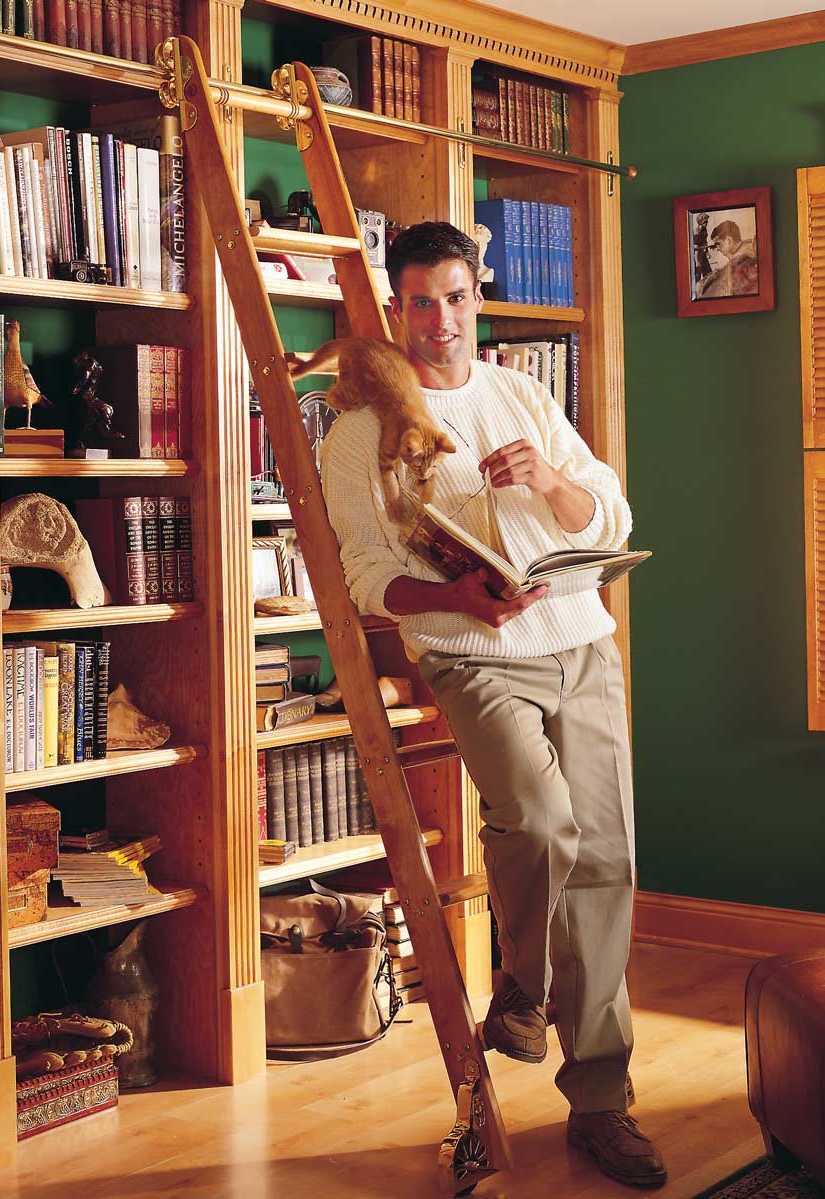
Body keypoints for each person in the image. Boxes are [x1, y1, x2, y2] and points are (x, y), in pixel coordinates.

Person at [320, 221, 666, 1189]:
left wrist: (551, 481)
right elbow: (362, 573)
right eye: (421, 300)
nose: (441, 320)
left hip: (581, 642)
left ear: (481, 298)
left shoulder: (523, 392)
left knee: (606, 860)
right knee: (545, 826)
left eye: (458, 297)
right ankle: (522, 973)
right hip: (475, 655)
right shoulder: (359, 430)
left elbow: (611, 513)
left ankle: (601, 1100)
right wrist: (452, 597)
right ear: (396, 308)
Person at [697, 218, 758, 298]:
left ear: (729, 241)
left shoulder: (743, 256)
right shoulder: (748, 248)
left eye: (718, 244)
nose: (718, 248)